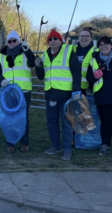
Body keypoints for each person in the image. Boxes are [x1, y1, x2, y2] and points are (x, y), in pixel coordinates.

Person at [35, 29, 81, 161]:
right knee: (51, 122)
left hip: (65, 94)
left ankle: (67, 149)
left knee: (66, 122)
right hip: (50, 94)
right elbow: (41, 76)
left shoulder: (68, 52)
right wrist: (38, 66)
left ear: (60, 40)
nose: (53, 41)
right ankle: (55, 146)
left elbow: (76, 72)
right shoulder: (44, 54)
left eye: (55, 39)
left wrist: (76, 90)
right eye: (50, 39)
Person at [0, 29, 36, 153]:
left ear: (18, 41)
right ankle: (10, 142)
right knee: (9, 117)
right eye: (9, 41)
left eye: (14, 41)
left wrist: (28, 50)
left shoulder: (25, 52)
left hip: (24, 90)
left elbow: (33, 63)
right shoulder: (2, 55)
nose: (11, 43)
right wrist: (1, 80)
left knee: (23, 117)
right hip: (9, 91)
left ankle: (24, 142)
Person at [74, 28, 99, 95]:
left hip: (89, 90)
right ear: (78, 38)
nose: (84, 38)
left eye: (87, 36)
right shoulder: (72, 50)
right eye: (82, 36)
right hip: (73, 88)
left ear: (91, 38)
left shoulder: (96, 51)